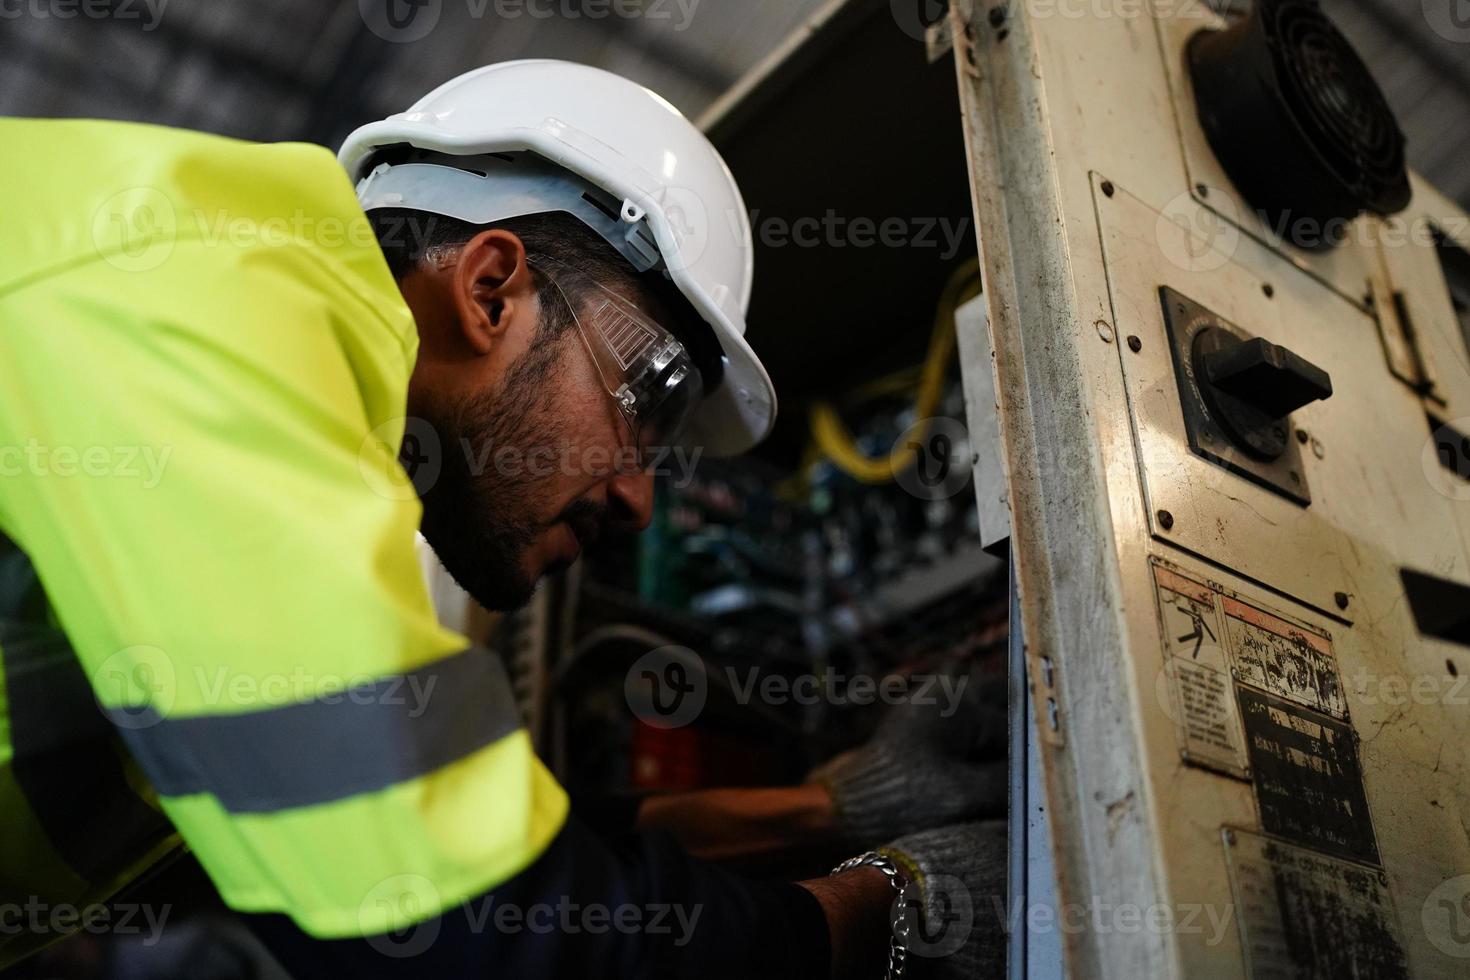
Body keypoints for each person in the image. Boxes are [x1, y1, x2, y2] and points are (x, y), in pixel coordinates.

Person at [0, 60, 1004, 977]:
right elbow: (479, 924)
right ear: (490, 288)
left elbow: (329, 864)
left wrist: (828, 811)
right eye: (648, 395)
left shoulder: (241, 318)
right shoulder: (199, 317)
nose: (640, 497)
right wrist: (892, 906)